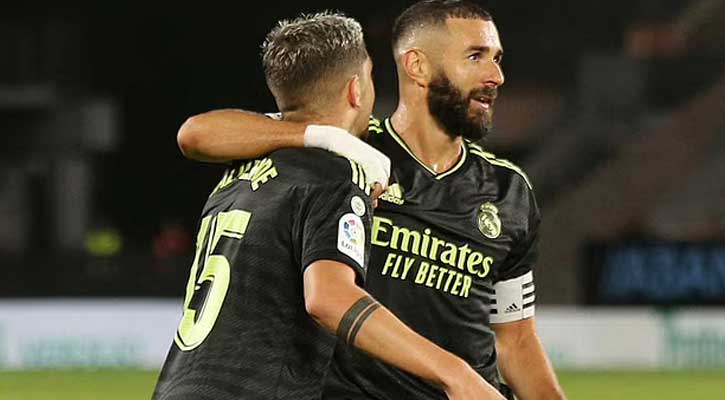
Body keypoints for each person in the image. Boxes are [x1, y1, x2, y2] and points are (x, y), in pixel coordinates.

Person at [176, 2, 566, 399]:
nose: (496, 76)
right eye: (475, 56)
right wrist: (323, 138)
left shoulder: (509, 190)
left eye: (497, 59)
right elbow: (198, 133)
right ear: (417, 66)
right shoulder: (347, 152)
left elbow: (516, 339)